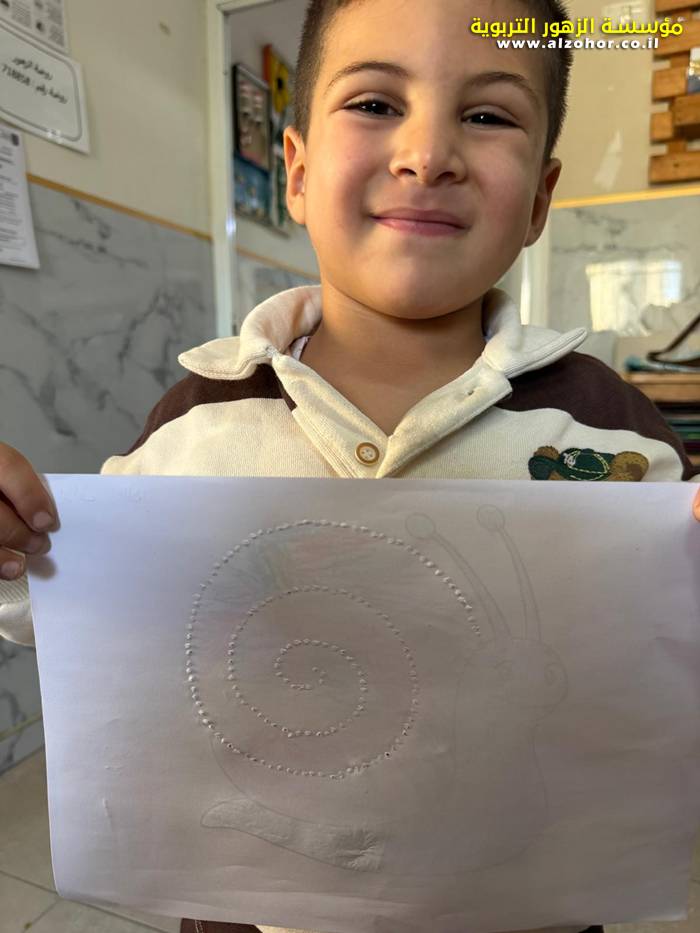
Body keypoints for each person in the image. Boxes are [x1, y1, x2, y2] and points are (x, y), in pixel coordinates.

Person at [0, 0, 698, 930]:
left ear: (540, 198)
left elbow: (661, 663)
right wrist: (15, 544)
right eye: (375, 103)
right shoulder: (195, 424)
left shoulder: (617, 440)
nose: (428, 154)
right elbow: (73, 613)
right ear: (295, 171)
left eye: (487, 114)